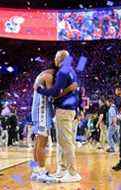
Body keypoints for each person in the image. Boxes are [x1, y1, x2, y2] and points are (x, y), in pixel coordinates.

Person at [35, 50, 81, 182]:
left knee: (66, 142)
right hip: (69, 109)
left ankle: (72, 173)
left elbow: (55, 92)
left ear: (60, 58)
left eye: (55, 57)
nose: (54, 60)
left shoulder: (62, 71)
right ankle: (63, 169)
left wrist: (40, 90)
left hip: (64, 110)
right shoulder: (72, 71)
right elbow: (71, 90)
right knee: (62, 142)